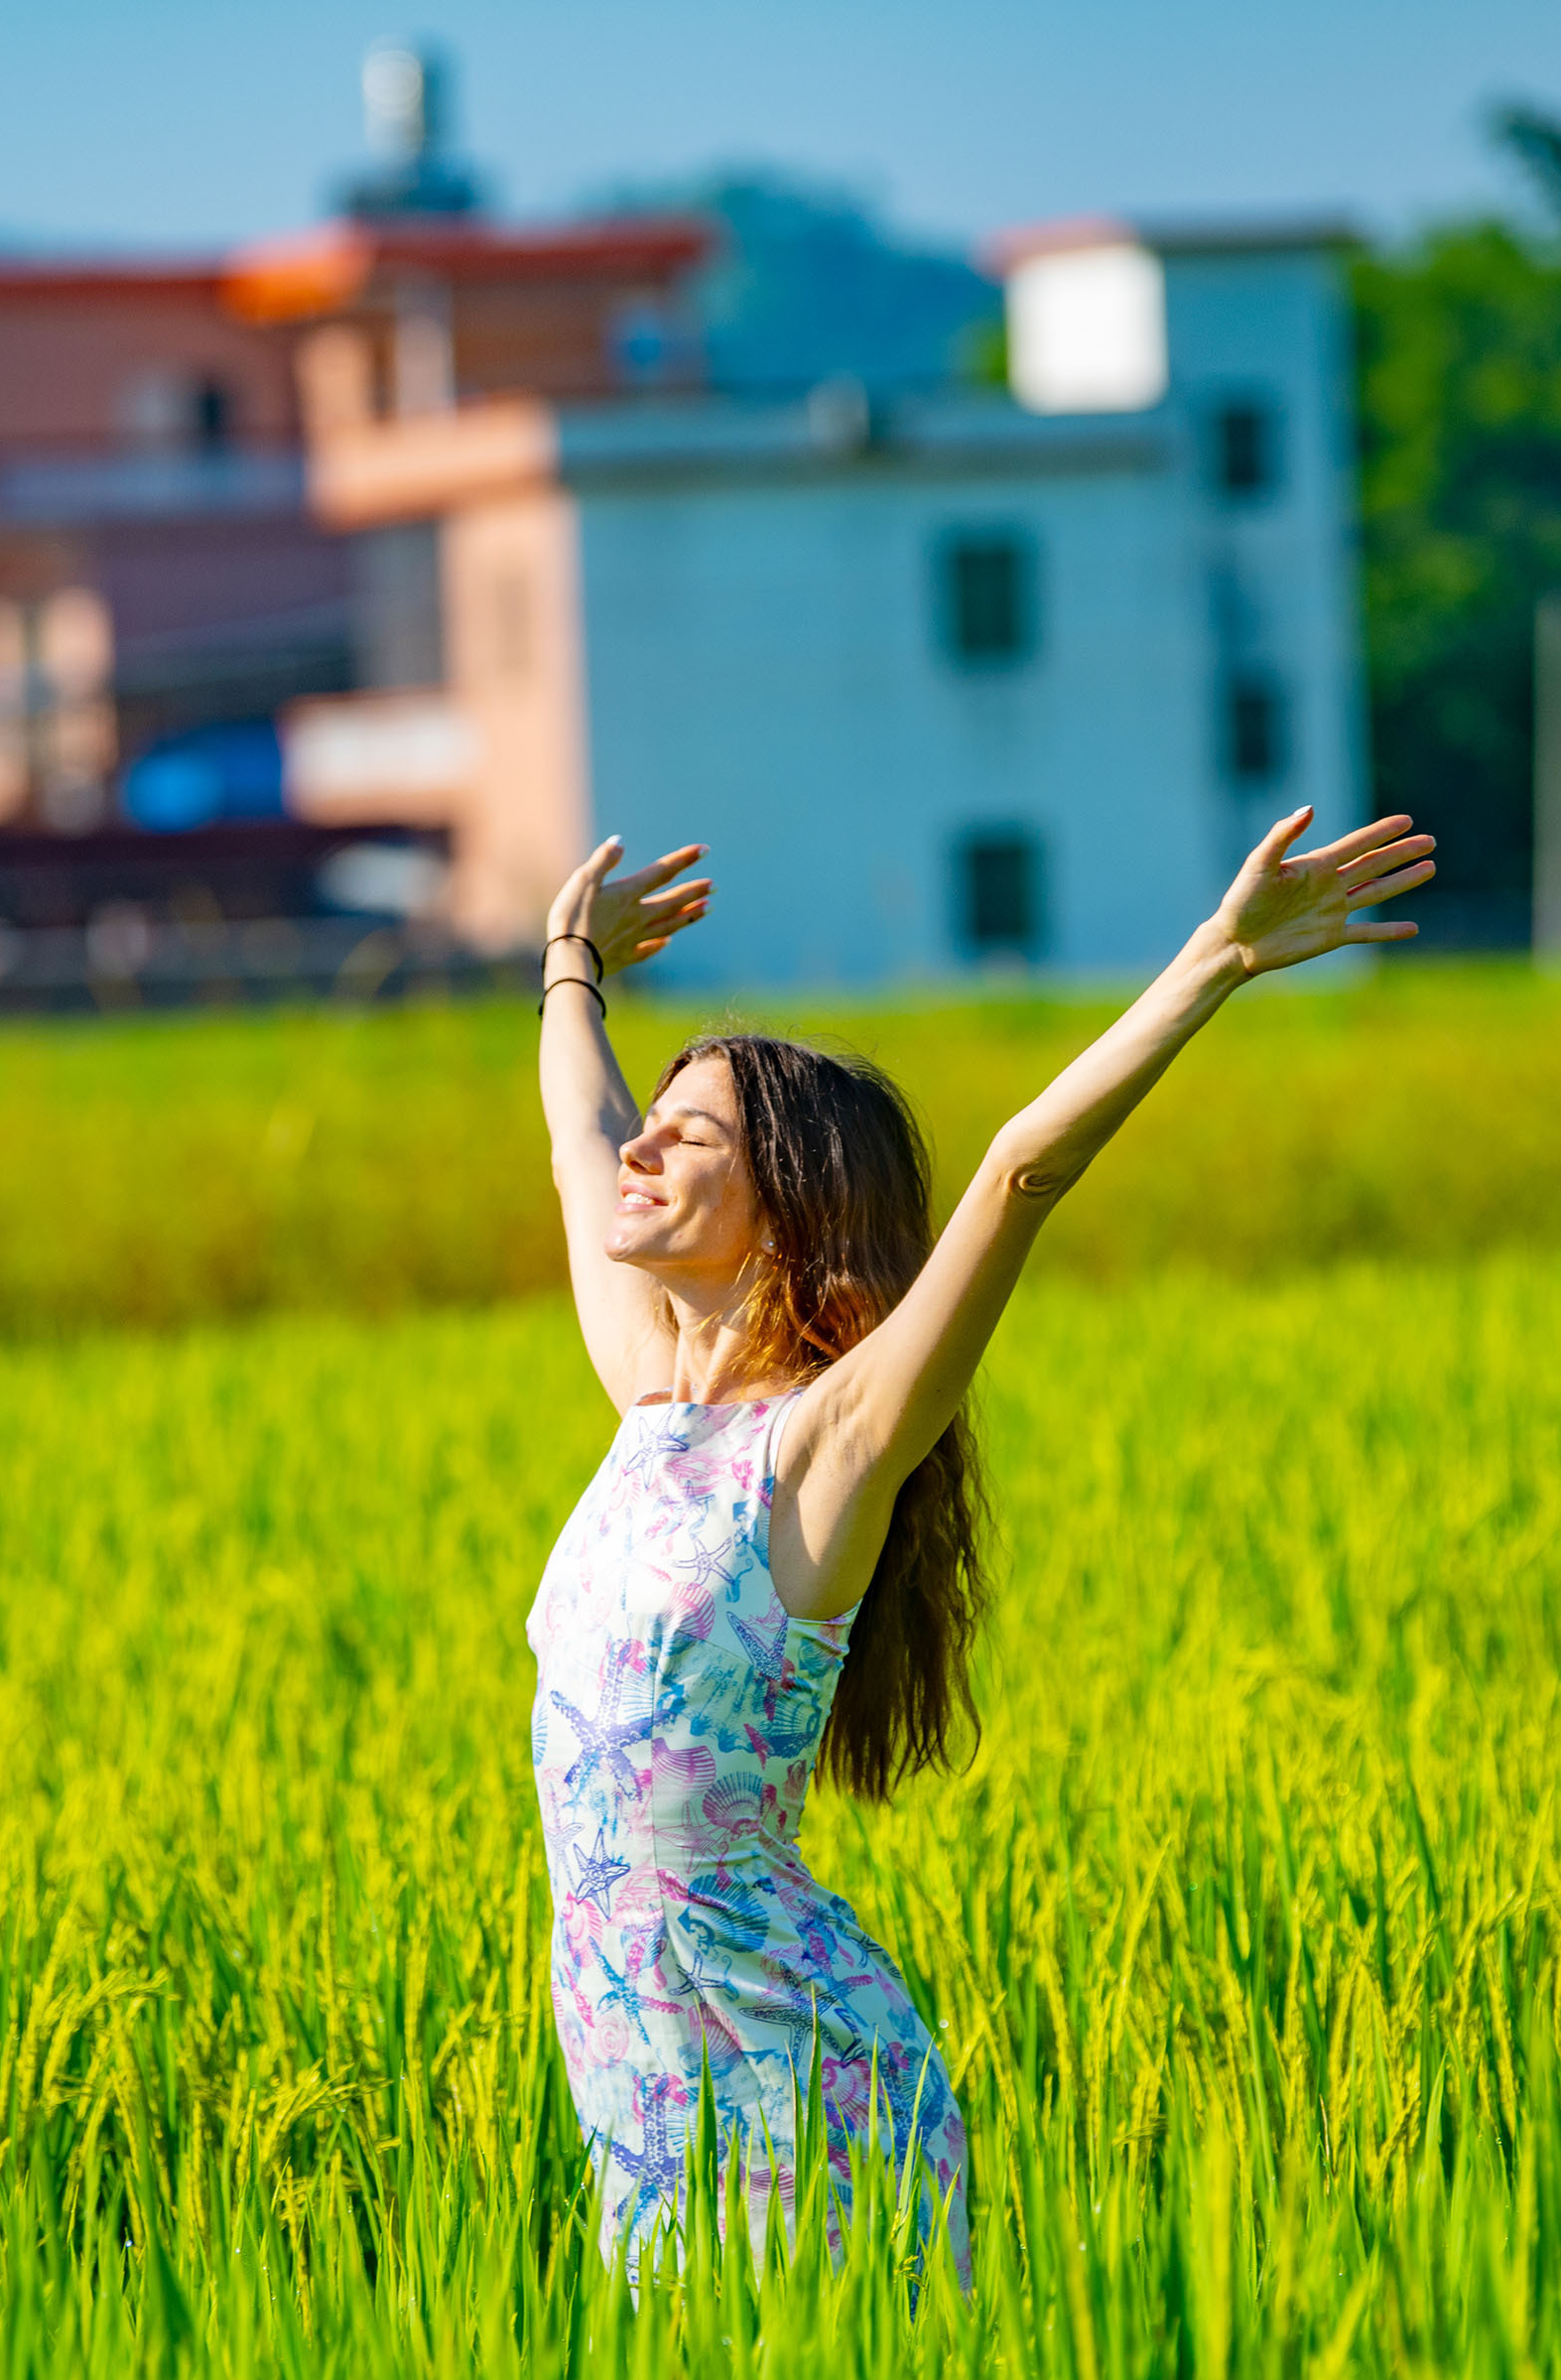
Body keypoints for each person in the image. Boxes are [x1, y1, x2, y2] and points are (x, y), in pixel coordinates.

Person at [527, 804, 1438, 2280]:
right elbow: (579, 1144)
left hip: (794, 2064)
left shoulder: (823, 1450)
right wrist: (573, 963)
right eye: (655, 1117)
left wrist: (1216, 956)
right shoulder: (647, 1400)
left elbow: (1019, 1166)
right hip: (631, 2064)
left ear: (788, 1205)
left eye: (690, 1134)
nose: (641, 1143)